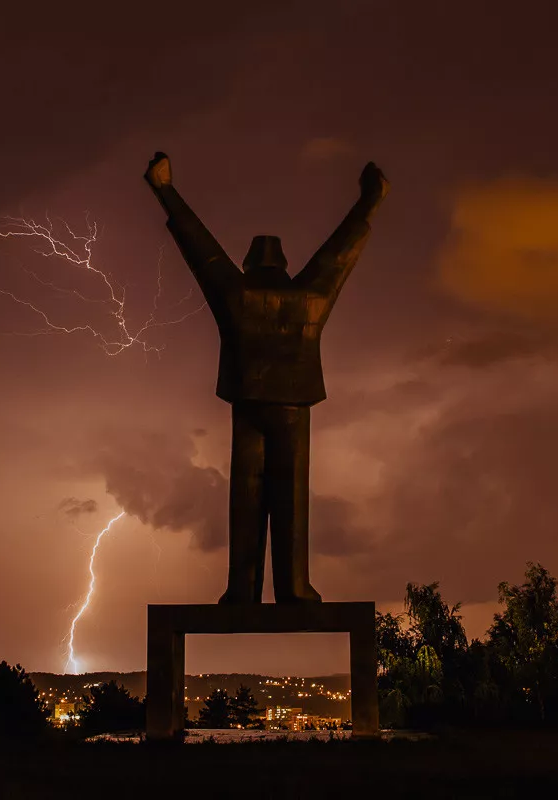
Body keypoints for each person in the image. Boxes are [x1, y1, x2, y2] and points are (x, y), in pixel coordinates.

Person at [145, 152, 388, 603]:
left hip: (247, 404)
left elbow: (202, 250)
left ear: (249, 265)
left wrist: (165, 190)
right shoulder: (307, 293)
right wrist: (368, 203)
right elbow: (338, 254)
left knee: (246, 495)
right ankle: (294, 588)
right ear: (284, 266)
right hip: (294, 408)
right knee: (291, 495)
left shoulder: (237, 292)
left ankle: (242, 589)